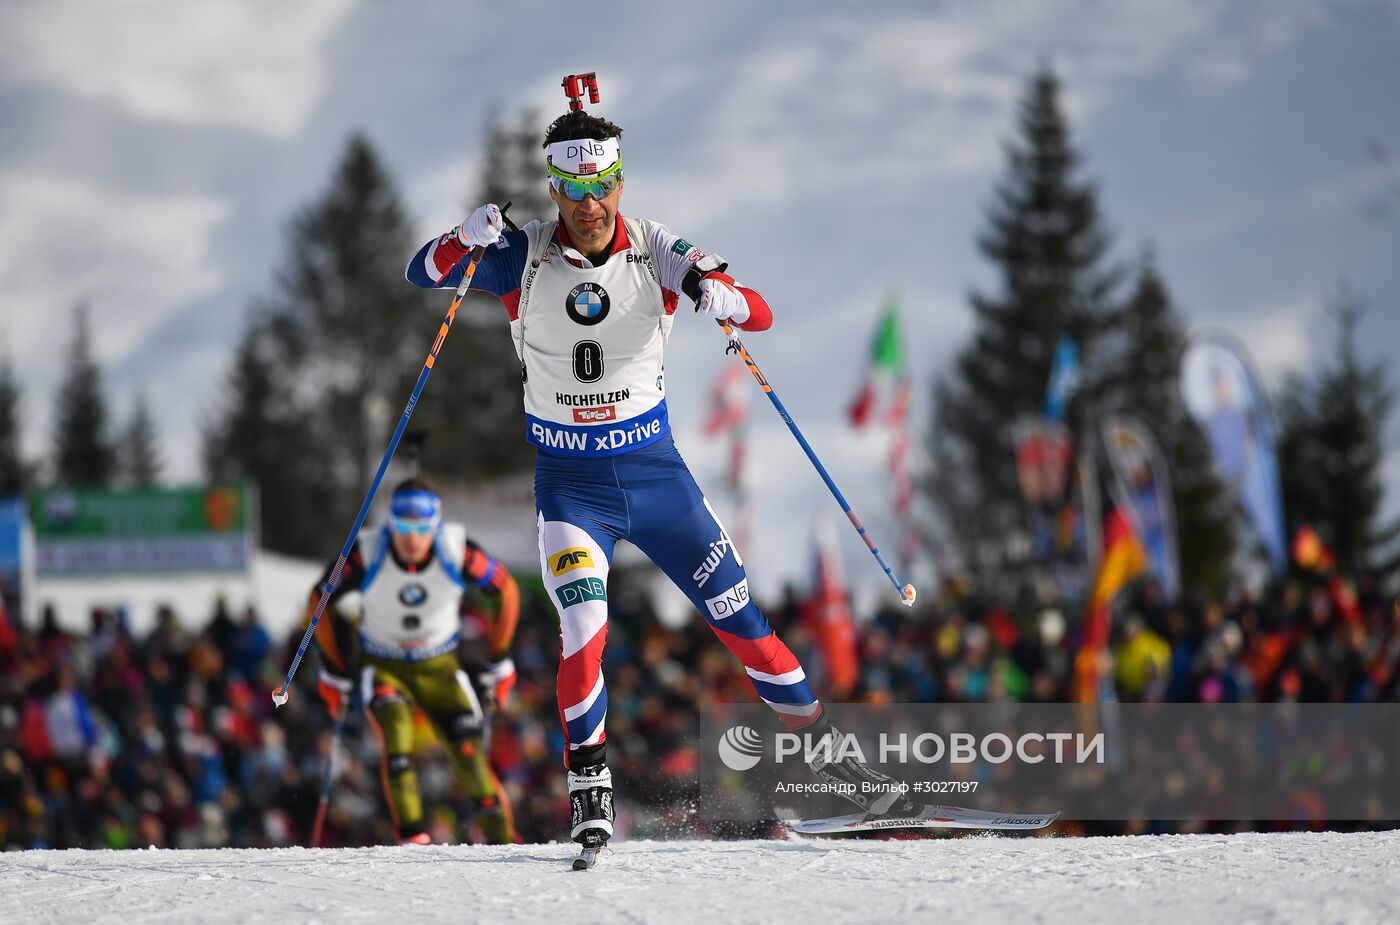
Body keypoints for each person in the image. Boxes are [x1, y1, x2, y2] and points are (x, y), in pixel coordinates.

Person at [405, 105, 908, 855]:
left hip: (659, 482)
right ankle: (590, 794)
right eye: (572, 190)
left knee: (748, 632)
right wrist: (461, 238)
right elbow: (421, 271)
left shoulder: (655, 247)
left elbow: (758, 311)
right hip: (573, 491)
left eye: (600, 186)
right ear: (553, 189)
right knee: (582, 630)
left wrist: (723, 294)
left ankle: (842, 767)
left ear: (617, 181)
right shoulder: (523, 256)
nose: (588, 206)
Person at [310, 478, 520, 845]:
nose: (411, 538)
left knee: (470, 756)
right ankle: (413, 838)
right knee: (397, 742)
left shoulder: (457, 551)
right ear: (391, 523)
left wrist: (501, 661)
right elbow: (319, 598)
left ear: (435, 525)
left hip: (440, 668)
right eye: (403, 527)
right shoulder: (367, 552)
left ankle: (505, 841)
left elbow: (506, 590)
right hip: (386, 666)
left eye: (421, 529)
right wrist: (333, 671)